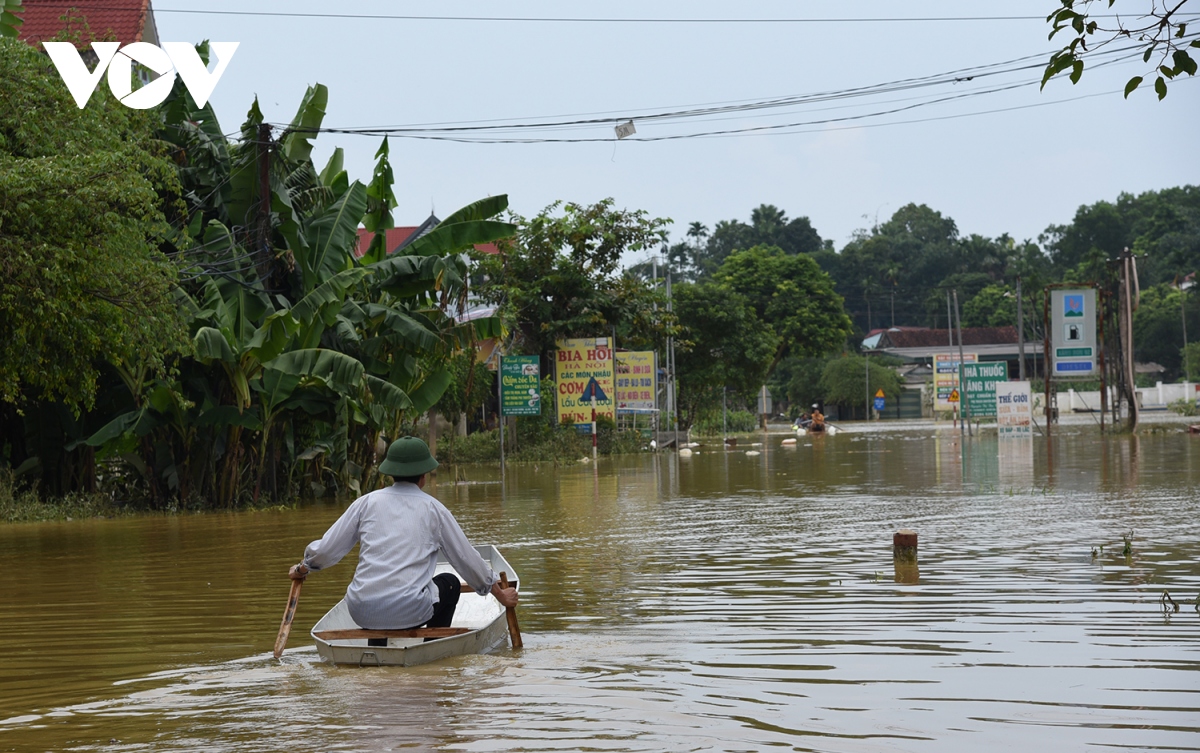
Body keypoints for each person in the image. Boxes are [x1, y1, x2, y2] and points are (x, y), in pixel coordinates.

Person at [288, 436, 517, 645]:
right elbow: (466, 560)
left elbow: (326, 550)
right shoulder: (434, 509)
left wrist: (302, 567)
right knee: (450, 582)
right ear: (424, 476)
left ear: (391, 472)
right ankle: (432, 647)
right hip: (410, 612)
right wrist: (499, 594)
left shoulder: (365, 503)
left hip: (361, 609)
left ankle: (377, 650)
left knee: (378, 596)